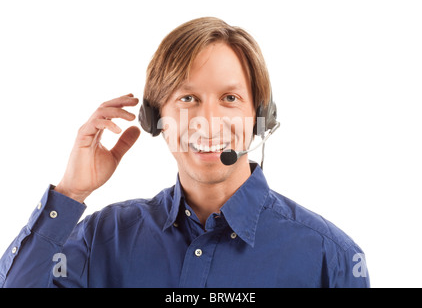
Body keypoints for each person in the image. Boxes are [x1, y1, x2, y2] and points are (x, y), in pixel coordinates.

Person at [0, 17, 369, 288]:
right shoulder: (103, 238)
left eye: (230, 98)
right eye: (188, 98)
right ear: (154, 117)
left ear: (259, 117)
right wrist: (70, 193)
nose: (207, 122)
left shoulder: (329, 257)